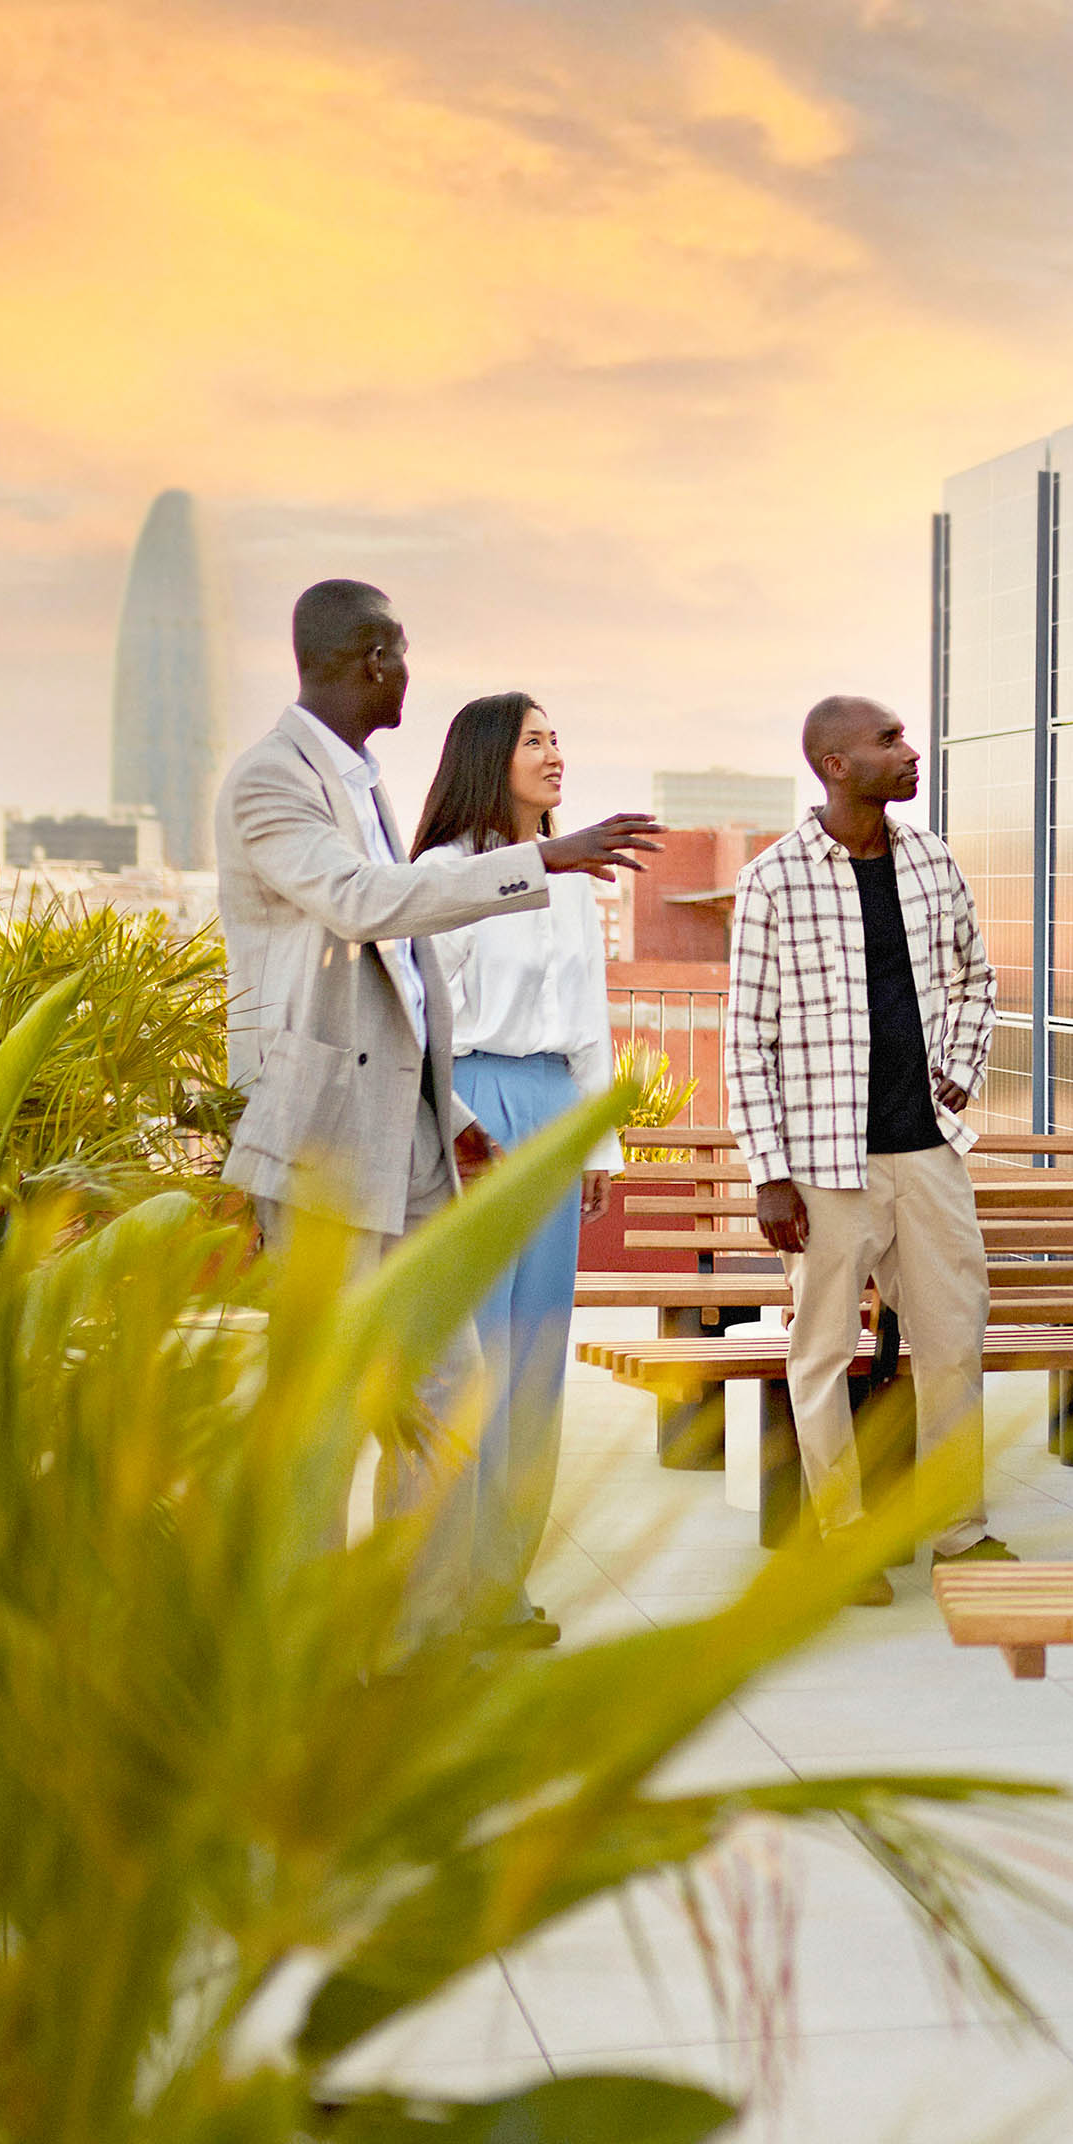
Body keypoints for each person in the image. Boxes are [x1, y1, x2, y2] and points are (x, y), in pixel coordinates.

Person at [215, 579, 657, 1645]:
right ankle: (308, 1644)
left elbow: (409, 985)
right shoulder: (273, 779)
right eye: (401, 652)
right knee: (323, 1409)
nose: (410, 672)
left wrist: (445, 1109)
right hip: (325, 1136)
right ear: (371, 657)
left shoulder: (357, 781)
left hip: (416, 1127)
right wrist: (541, 858)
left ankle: (422, 1630)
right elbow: (363, 906)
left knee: (458, 1389)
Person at [725, 695, 1002, 1594]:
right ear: (836, 765)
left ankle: (960, 1532)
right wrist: (769, 1174)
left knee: (954, 1344)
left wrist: (959, 1065)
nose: (910, 751)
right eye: (889, 741)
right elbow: (747, 1039)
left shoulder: (931, 860)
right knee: (821, 1354)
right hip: (822, 1165)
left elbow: (976, 977)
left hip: (927, 1154)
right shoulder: (773, 880)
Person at [412, 691, 622, 1648]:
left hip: (550, 1109)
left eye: (557, 737)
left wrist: (597, 1140)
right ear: (489, 756)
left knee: (536, 1359)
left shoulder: (571, 879)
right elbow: (423, 1021)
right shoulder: (444, 874)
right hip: (470, 1110)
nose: (554, 753)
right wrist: (455, 1124)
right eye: (534, 740)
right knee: (473, 1359)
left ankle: (503, 1588)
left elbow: (592, 1021)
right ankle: (442, 1594)